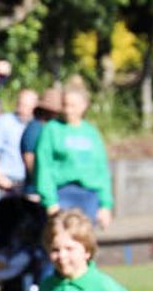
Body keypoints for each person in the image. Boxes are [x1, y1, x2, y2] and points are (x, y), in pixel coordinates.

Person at [28, 82, 113, 228]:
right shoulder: (51, 129)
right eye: (65, 105)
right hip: (62, 194)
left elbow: (101, 169)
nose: (68, 110)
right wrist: (50, 201)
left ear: (84, 106)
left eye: (72, 106)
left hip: (88, 196)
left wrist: (105, 205)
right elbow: (43, 167)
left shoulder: (90, 132)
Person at [0, 89, 37, 195]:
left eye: (27, 106)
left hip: (27, 184)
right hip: (6, 182)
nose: (22, 109)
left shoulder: (36, 127)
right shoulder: (4, 121)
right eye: (20, 104)